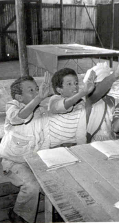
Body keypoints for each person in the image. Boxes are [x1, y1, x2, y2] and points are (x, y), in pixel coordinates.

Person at [0, 73, 51, 223]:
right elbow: (18, 118)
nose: (37, 92)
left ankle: (53, 213)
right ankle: (19, 216)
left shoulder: (42, 111)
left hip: (35, 160)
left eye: (37, 89)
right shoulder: (13, 106)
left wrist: (45, 162)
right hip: (13, 162)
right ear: (19, 97)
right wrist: (38, 99)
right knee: (32, 185)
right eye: (31, 90)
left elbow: (46, 140)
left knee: (55, 181)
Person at [85, 53, 119, 142]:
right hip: (94, 142)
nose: (105, 87)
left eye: (108, 85)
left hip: (110, 140)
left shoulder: (111, 100)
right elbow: (98, 92)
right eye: (96, 85)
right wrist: (115, 74)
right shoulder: (89, 101)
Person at [48, 68, 95, 147]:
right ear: (59, 90)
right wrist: (82, 93)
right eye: (69, 84)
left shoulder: (81, 104)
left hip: (72, 145)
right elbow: (61, 107)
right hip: (53, 145)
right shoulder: (54, 99)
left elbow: (81, 132)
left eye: (76, 83)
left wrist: (81, 148)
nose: (75, 87)